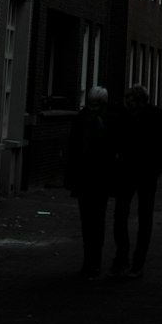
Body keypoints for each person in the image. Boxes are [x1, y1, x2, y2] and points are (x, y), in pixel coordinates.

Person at [110, 84, 162, 278]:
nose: (128, 103)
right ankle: (123, 257)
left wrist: (155, 169)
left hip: (146, 174)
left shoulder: (157, 117)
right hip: (126, 173)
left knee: (144, 217)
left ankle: (137, 261)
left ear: (139, 101)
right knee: (121, 215)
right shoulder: (123, 117)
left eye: (131, 100)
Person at [64, 86, 114, 279]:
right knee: (88, 221)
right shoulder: (82, 120)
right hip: (86, 178)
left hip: (98, 179)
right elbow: (73, 149)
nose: (92, 108)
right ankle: (89, 260)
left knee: (97, 220)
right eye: (90, 104)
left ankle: (94, 261)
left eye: (96, 105)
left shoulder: (105, 121)